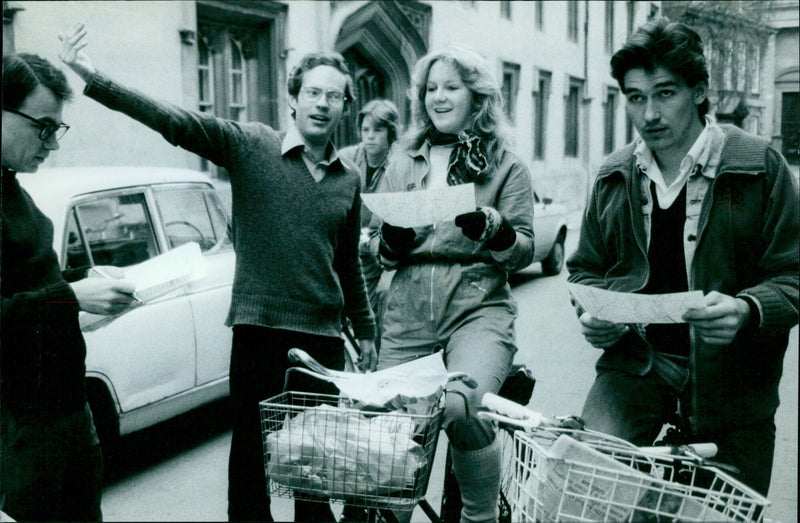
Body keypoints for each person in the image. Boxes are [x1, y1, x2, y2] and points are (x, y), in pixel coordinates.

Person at [58, 25, 376, 522]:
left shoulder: (347, 179)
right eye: (313, 92)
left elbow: (347, 262)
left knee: (316, 471)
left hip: (322, 341)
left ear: (344, 108)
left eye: (334, 96)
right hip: (259, 334)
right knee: (251, 470)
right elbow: (173, 121)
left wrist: (367, 329)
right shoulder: (251, 145)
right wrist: (93, 77)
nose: (322, 104)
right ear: (292, 99)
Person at [566, 18, 799, 497]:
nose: (649, 113)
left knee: (725, 511)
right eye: (635, 97)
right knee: (583, 490)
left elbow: (792, 273)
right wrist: (595, 314)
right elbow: (585, 269)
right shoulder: (614, 176)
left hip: (734, 382)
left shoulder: (759, 165)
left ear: (698, 91)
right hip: (636, 367)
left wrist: (747, 308)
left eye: (665, 93)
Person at [371, 46, 534, 522]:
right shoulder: (402, 159)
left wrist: (494, 228)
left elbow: (522, 248)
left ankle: (479, 516)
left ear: (477, 96)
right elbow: (381, 252)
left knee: (462, 406)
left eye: (451, 87)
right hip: (408, 308)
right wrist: (392, 238)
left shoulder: (507, 164)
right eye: (430, 89)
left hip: (477, 306)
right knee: (394, 428)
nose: (438, 98)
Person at [1, 53, 138, 521]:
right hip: (18, 430)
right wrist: (72, 297)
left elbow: (33, 287)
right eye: (43, 126)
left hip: (66, 417)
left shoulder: (14, 190)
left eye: (57, 129)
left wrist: (85, 287)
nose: (51, 144)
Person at [339, 99, 401, 349]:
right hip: (350, 249)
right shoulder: (346, 158)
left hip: (383, 255)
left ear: (391, 132)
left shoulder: (400, 165)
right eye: (365, 130)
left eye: (377, 130)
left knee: (380, 305)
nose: (370, 137)